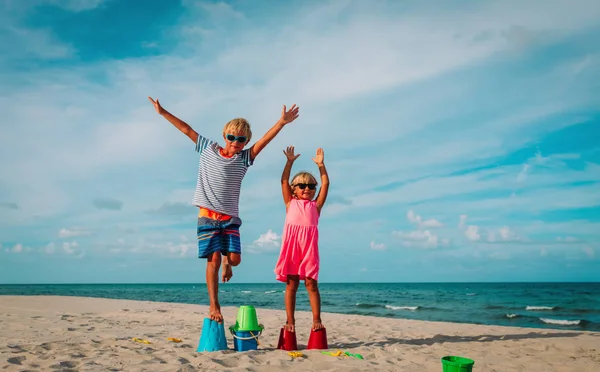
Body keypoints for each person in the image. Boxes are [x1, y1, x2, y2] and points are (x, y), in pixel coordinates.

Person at [148, 97, 300, 323]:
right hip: (207, 217)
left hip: (230, 219)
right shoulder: (207, 148)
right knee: (213, 261)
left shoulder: (245, 158)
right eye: (231, 137)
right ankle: (214, 305)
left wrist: (281, 123)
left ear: (245, 141)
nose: (235, 142)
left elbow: (264, 141)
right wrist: (163, 112)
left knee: (235, 260)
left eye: (241, 139)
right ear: (224, 136)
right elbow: (186, 129)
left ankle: (228, 263)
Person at [274, 145, 330, 332]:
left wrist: (321, 166)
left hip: (309, 248)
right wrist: (289, 162)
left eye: (311, 186)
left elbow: (326, 184)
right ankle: (290, 320)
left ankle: (316, 319)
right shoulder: (290, 202)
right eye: (302, 185)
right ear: (294, 189)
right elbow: (283, 181)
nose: (307, 188)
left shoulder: (316, 206)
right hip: (291, 246)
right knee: (292, 283)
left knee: (311, 283)